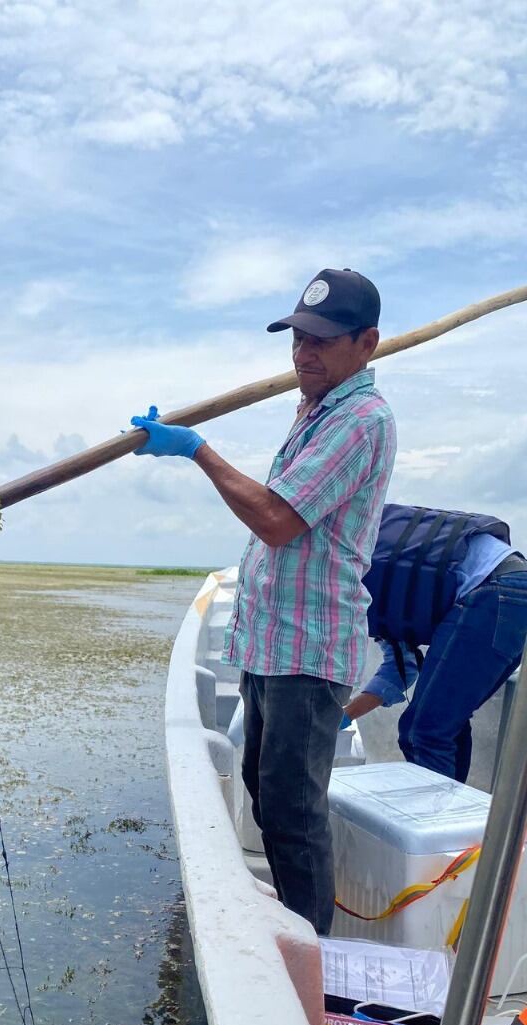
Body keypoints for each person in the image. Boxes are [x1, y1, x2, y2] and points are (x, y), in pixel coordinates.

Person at [131, 267, 396, 935]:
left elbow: (278, 520)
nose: (304, 354)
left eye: (323, 342)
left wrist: (197, 449)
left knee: (292, 809)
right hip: (272, 642)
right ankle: (296, 919)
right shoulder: (316, 408)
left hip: (309, 650)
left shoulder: (361, 419)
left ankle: (311, 949)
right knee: (261, 782)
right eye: (298, 339)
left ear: (367, 344)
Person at [342, 503, 527, 782]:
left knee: (423, 732)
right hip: (511, 588)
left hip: (492, 590)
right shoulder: (378, 566)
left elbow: (400, 668)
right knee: (445, 725)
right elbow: (402, 667)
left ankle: (434, 821)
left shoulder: (348, 574)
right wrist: (345, 716)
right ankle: (456, 819)